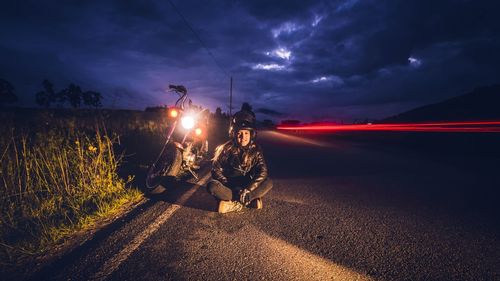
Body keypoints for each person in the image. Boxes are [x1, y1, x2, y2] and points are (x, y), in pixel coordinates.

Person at [207, 108, 272, 213]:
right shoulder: (225, 149)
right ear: (234, 134)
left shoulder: (256, 150)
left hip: (247, 186)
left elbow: (262, 171)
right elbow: (215, 170)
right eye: (239, 133)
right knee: (212, 186)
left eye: (246, 133)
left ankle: (235, 203)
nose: (243, 137)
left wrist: (248, 189)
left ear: (252, 134)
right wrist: (232, 186)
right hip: (230, 187)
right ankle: (247, 201)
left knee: (268, 182)